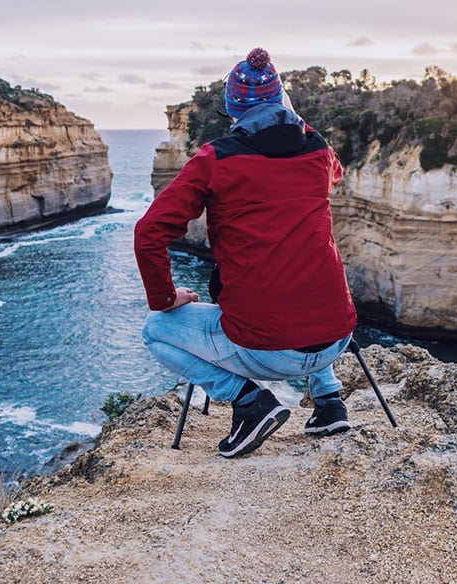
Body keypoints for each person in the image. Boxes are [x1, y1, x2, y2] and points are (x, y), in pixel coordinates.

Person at [135, 48, 358, 458]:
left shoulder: (215, 160)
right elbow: (335, 171)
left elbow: (148, 233)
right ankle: (329, 402)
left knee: (154, 330)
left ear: (231, 108)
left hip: (270, 352)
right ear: (282, 100)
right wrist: (286, 113)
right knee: (301, 270)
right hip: (338, 338)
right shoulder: (319, 152)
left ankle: (248, 402)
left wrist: (166, 298)